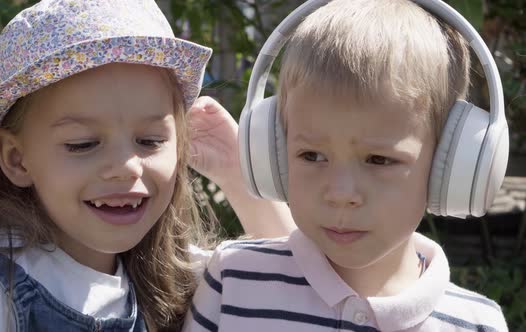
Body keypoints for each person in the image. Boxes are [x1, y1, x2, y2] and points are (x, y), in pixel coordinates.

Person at [0, 1, 294, 331]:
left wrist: (239, 176)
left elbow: (297, 291)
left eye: (150, 141)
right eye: (83, 144)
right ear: (16, 158)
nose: (126, 168)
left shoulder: (178, 279)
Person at [185, 0, 509, 331]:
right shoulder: (233, 281)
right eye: (311, 155)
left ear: (450, 165)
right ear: (274, 154)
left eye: (379, 160)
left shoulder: (477, 324)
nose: (340, 194)